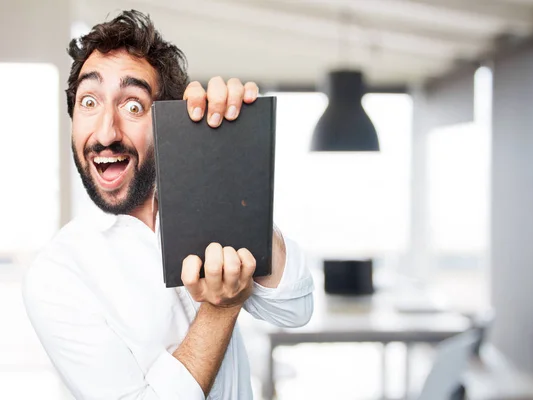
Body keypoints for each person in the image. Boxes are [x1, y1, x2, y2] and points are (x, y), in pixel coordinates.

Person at [22, 9, 314, 400]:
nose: (106, 132)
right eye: (89, 101)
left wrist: (232, 175)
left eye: (133, 106)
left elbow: (295, 308)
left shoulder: (211, 211)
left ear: (168, 120)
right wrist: (222, 308)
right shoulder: (57, 276)